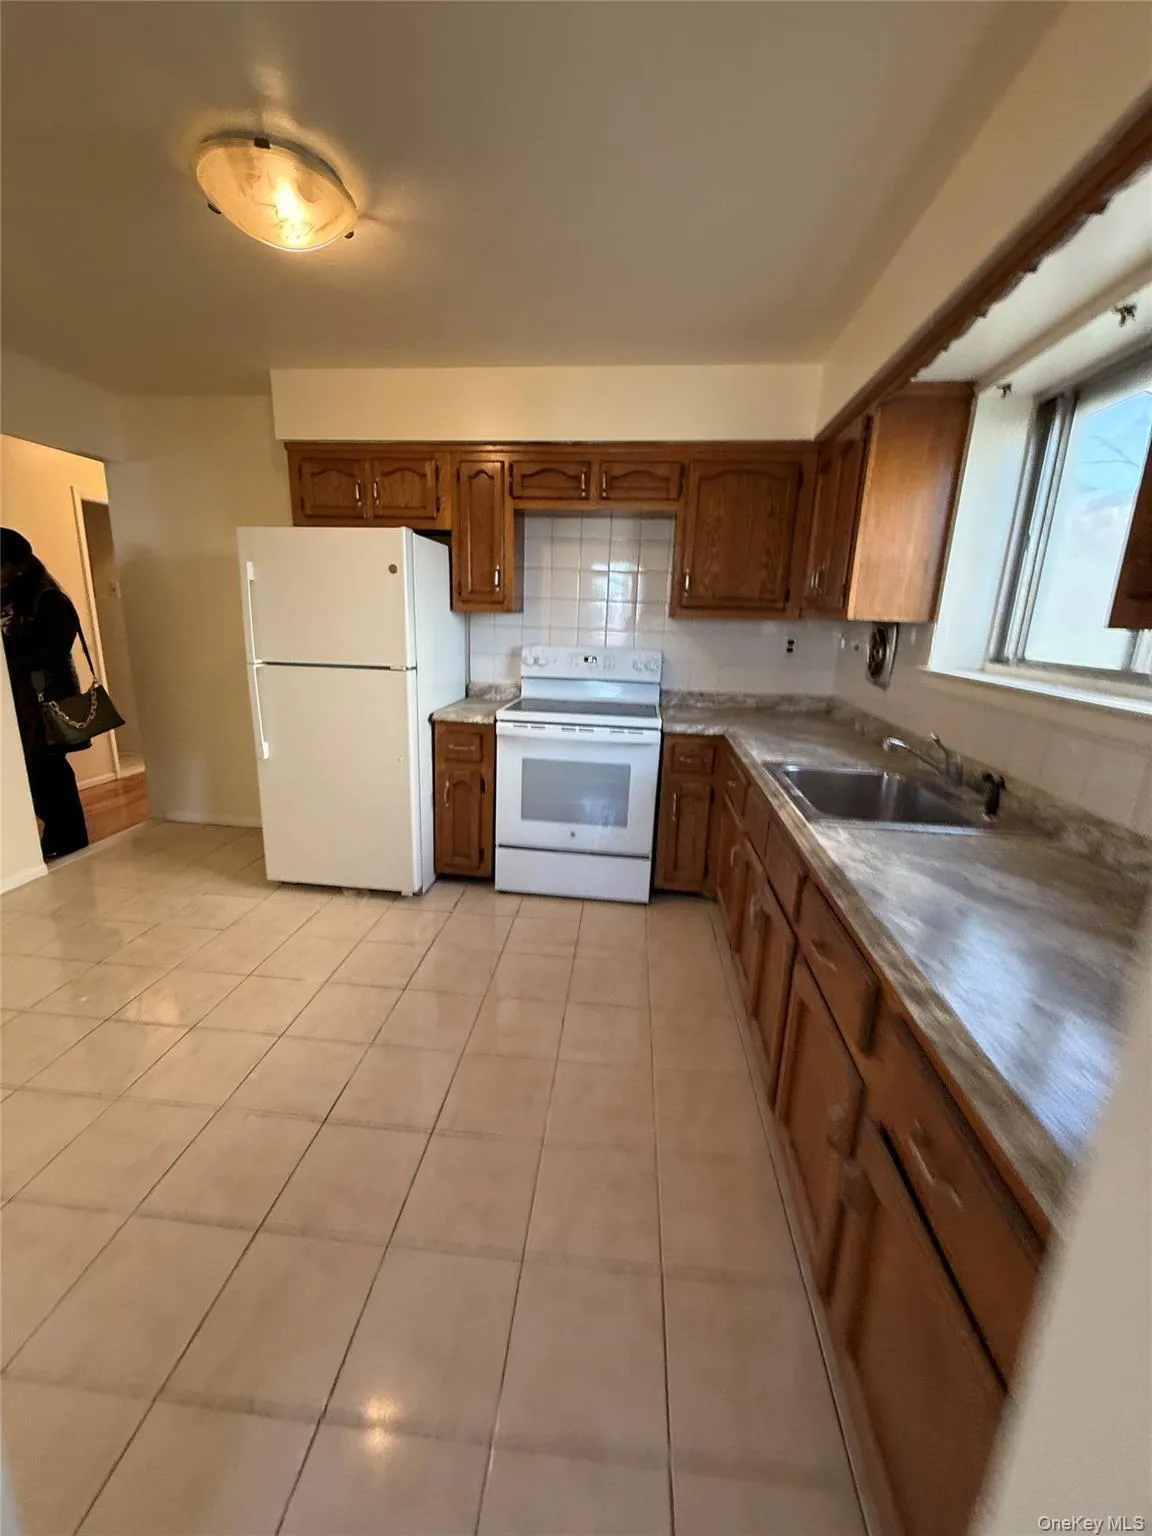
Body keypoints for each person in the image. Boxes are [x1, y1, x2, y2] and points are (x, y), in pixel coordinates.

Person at [1, 527, 90, 860]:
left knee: (46, 769)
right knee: (32, 771)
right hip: (16, 702)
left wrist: (7, 662)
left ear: (16, 564)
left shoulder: (48, 598)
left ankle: (69, 839)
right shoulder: (7, 596)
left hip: (45, 700)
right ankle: (59, 836)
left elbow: (53, 651)